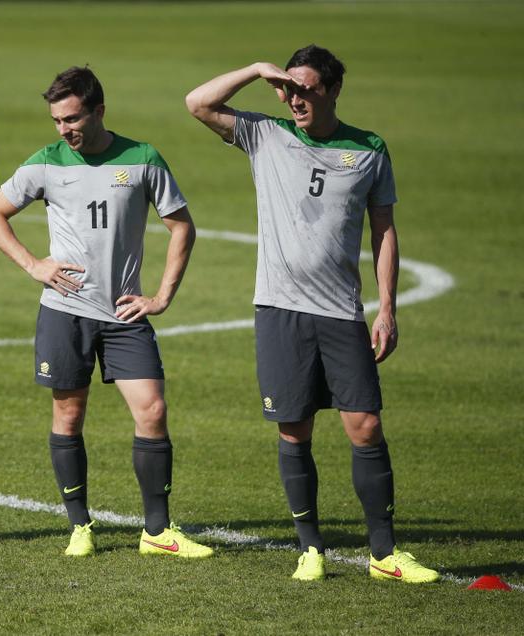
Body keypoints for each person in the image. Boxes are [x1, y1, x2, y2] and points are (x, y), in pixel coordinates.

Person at [185, 45, 439, 582]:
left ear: (333, 90)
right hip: (279, 310)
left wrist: (387, 307)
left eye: (307, 89)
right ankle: (311, 548)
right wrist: (257, 70)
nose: (295, 98)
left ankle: (384, 554)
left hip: (341, 312)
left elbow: (384, 230)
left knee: (365, 425)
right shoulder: (266, 135)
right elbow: (198, 103)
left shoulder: (369, 150)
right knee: (294, 430)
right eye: (289, 88)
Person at [0, 66, 212, 558]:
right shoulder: (45, 163)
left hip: (125, 314)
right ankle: (80, 525)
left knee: (153, 411)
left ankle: (157, 531)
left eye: (72, 118)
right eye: (57, 121)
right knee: (69, 414)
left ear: (98, 110)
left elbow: (182, 228)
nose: (65, 130)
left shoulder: (143, 158)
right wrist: (32, 264)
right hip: (65, 311)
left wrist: (162, 297)